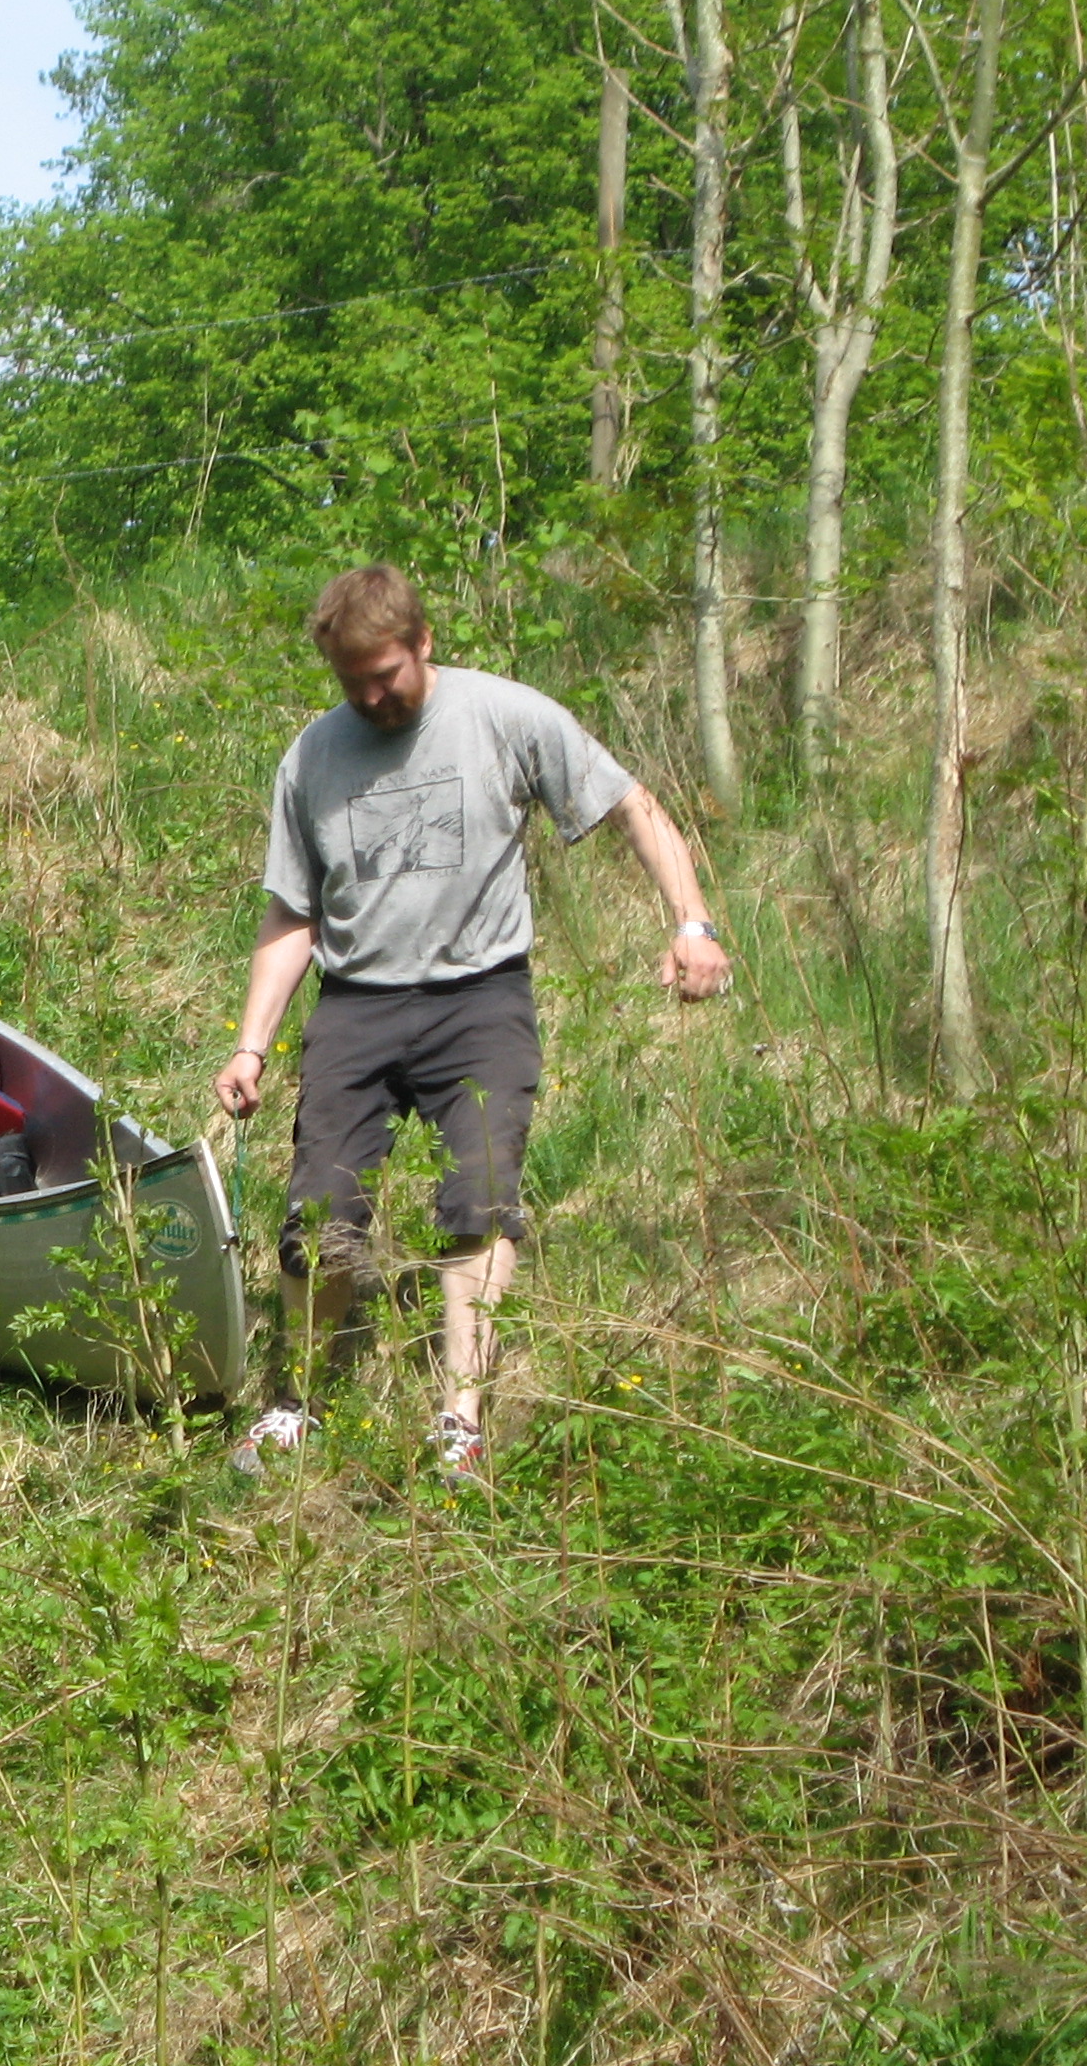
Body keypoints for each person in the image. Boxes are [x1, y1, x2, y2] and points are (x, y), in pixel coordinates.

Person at [213, 564, 730, 1487]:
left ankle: (460, 1422)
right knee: (316, 1215)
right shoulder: (313, 757)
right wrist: (252, 1042)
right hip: (357, 1004)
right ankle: (297, 1405)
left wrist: (691, 923)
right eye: (353, 683)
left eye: (386, 676)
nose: (372, 698)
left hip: (480, 999)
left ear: (423, 643)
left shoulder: (504, 716)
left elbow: (632, 806)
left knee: (478, 1200)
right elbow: (292, 914)